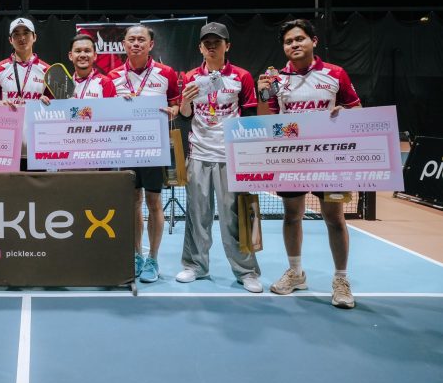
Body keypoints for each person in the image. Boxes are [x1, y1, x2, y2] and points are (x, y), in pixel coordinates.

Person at [257, 18, 361, 309]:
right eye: (289, 42)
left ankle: (341, 279)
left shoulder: (335, 73)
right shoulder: (277, 80)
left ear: (313, 41)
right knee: (292, 216)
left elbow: (357, 110)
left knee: (335, 219)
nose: (294, 45)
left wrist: (344, 114)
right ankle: (296, 272)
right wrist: (263, 92)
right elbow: (269, 122)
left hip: (329, 159)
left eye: (299, 39)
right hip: (293, 158)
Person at [175, 22, 262, 293]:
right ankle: (195, 266)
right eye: (207, 42)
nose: (212, 46)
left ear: (227, 45)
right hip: (199, 154)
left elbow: (249, 117)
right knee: (197, 215)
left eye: (217, 42)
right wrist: (185, 102)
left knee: (234, 217)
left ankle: (246, 271)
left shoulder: (242, 76)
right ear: (200, 47)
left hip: (231, 157)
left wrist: (247, 158)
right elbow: (186, 115)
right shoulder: (190, 77)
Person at [108, 24, 180, 283]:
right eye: (131, 40)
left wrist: (173, 110)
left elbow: (176, 104)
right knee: (133, 203)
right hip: (124, 148)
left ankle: (153, 259)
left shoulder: (166, 73)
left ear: (151, 45)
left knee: (154, 203)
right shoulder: (113, 76)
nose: (136, 43)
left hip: (154, 147)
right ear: (124, 45)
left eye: (141, 39)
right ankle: (137, 254)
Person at [0, 17, 51, 106]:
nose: (22, 38)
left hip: (34, 119)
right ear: (10, 40)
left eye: (26, 33)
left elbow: (55, 106)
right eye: (16, 34)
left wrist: (48, 103)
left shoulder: (47, 70)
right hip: (8, 119)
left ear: (34, 37)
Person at [68, 34, 116, 99]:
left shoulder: (105, 83)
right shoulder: (64, 85)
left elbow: (113, 108)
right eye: (78, 51)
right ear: (70, 56)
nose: (82, 55)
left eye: (87, 51)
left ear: (95, 55)